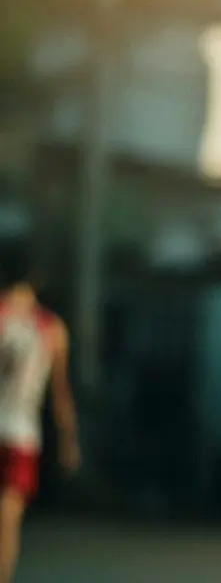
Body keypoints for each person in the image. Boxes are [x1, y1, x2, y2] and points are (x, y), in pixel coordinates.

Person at [0, 250, 79, 583]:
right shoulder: (52, 328)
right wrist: (69, 440)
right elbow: (60, 392)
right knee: (8, 519)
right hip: (22, 433)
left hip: (15, 429)